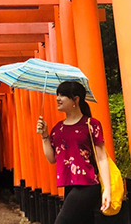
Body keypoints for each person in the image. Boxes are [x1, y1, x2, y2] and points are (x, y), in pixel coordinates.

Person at [36, 81, 111, 224]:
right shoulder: (58, 129)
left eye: (63, 95)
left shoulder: (91, 124)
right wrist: (44, 135)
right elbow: (52, 159)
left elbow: (102, 158)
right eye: (57, 94)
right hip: (69, 186)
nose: (58, 98)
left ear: (76, 99)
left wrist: (107, 189)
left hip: (87, 184)